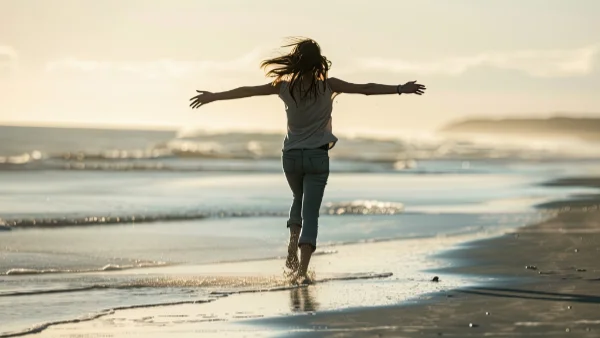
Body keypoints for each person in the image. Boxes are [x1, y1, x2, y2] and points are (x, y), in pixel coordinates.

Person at [189, 38, 426, 284]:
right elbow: (366, 87)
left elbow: (247, 91)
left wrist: (214, 96)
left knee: (297, 198)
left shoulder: (284, 87)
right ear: (318, 61)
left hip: (291, 157)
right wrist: (400, 88)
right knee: (310, 212)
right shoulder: (329, 86)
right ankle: (301, 272)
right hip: (317, 157)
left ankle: (292, 244)